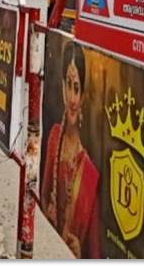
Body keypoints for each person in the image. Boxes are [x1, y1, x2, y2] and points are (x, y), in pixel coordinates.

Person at [40, 41, 100, 259]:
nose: (73, 99)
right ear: (62, 86)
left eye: (78, 88)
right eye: (69, 85)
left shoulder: (90, 173)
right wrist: (47, 214)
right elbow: (43, 196)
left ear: (83, 94)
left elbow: (95, 254)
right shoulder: (55, 136)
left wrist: (78, 252)